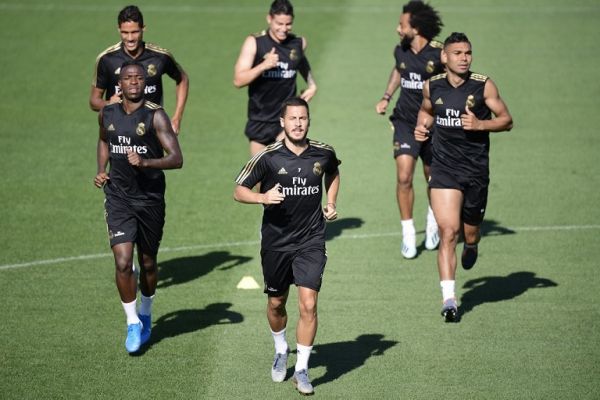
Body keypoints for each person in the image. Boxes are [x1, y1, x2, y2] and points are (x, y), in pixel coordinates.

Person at [233, 97, 340, 395]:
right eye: (292, 119)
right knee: (276, 303)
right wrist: (263, 198)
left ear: (308, 120)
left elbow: (333, 172)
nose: (297, 123)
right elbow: (239, 190)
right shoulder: (268, 157)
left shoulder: (323, 153)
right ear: (282, 122)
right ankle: (281, 349)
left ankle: (302, 370)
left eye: (302, 118)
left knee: (309, 303)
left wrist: (330, 203)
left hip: (311, 240)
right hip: (276, 243)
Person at [414, 32, 513, 322]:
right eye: (457, 53)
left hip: (475, 171)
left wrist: (481, 124)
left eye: (467, 53)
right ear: (444, 57)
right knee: (448, 232)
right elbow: (426, 112)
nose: (464, 57)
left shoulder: (483, 85)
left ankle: (472, 244)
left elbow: (507, 120)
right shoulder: (432, 86)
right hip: (444, 169)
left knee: (469, 232)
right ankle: (449, 299)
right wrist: (422, 128)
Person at [94, 61, 183, 352]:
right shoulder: (107, 113)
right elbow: (104, 141)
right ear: (119, 83)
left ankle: (145, 311)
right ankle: (132, 322)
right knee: (122, 261)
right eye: (128, 78)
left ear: (146, 82)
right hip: (118, 196)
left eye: (138, 78)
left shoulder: (155, 116)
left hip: (150, 199)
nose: (133, 82)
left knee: (147, 263)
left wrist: (145, 162)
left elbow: (176, 158)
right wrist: (101, 169)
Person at [375, 0, 444, 259]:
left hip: (434, 124)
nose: (398, 28)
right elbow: (399, 70)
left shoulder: (439, 54)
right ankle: (408, 232)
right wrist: (386, 96)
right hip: (404, 121)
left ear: (416, 28)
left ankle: (433, 218)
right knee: (404, 176)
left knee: (432, 177)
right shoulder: (401, 51)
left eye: (402, 25)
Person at [233, 0, 317, 156]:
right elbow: (238, 80)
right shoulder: (255, 43)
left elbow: (300, 61)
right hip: (260, 119)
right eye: (279, 24)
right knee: (259, 177)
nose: (284, 29)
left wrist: (312, 84)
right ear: (269, 19)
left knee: (284, 173)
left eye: (288, 24)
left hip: (286, 119)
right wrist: (264, 65)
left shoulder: (298, 43)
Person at [90, 5, 189, 134]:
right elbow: (93, 101)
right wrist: (108, 103)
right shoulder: (107, 60)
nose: (130, 38)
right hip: (118, 131)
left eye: (135, 32)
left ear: (143, 29)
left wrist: (177, 118)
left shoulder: (160, 57)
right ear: (118, 30)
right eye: (125, 33)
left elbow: (182, 79)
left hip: (151, 132)